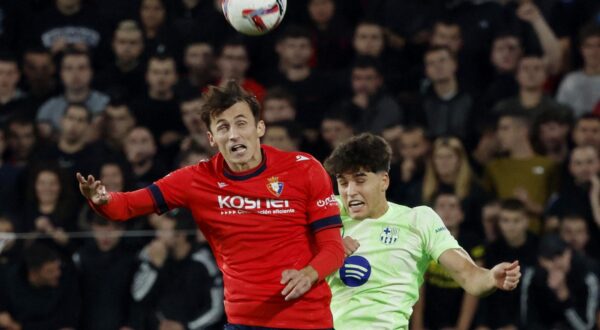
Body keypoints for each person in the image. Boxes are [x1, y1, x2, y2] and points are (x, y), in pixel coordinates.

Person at [77, 81, 345, 329]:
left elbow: (333, 247)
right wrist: (102, 200)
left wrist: (309, 274)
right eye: (223, 127)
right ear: (211, 138)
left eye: (241, 123)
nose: (234, 135)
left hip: (308, 320)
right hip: (244, 322)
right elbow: (128, 205)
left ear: (259, 128)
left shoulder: (305, 168)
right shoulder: (195, 179)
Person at [323, 133, 521, 329]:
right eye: (343, 182)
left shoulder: (418, 221)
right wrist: (327, 249)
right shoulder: (327, 213)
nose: (350, 191)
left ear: (384, 181)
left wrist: (490, 278)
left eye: (360, 180)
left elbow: (468, 275)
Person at [520, 234, 599, 329]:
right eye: (550, 259)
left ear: (568, 252)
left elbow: (587, 327)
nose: (557, 263)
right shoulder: (533, 276)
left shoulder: (586, 275)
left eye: (561, 255)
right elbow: (527, 321)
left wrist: (564, 295)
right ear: (541, 260)